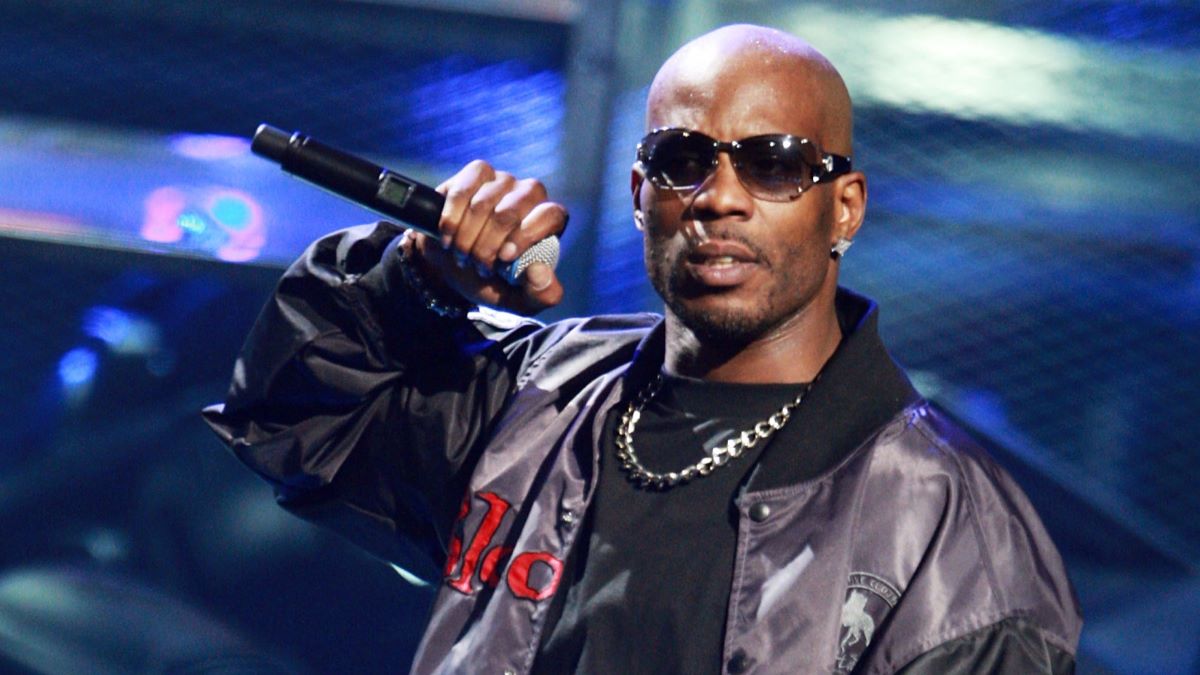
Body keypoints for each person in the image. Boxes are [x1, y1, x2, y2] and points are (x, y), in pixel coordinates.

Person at [204, 24, 1082, 674]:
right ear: (639, 193)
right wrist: (423, 277)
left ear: (843, 208)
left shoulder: (947, 527)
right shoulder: (541, 398)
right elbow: (292, 422)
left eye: (773, 164)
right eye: (683, 157)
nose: (719, 197)